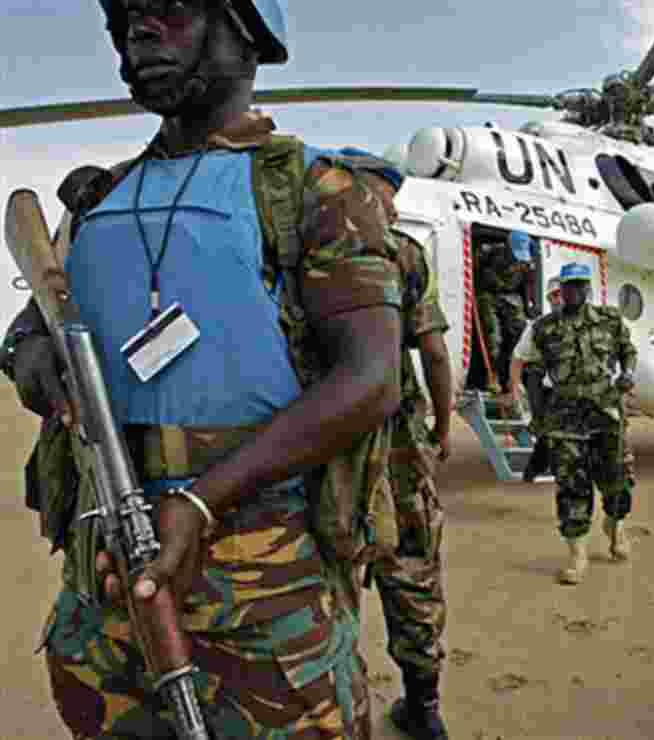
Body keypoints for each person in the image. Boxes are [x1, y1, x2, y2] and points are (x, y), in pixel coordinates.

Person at [0, 1, 406, 736]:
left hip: (260, 604)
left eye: (171, 9)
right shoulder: (97, 199)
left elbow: (371, 378)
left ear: (246, 35)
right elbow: (31, 322)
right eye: (126, 17)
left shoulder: (314, 190)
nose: (139, 30)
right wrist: (29, 353)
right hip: (108, 600)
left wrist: (201, 501)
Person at [361, 174, 453, 740]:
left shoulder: (302, 247)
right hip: (398, 444)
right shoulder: (406, 255)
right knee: (414, 569)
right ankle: (423, 707)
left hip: (317, 438)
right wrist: (442, 426)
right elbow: (435, 354)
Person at [512, 263, 638, 584]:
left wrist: (627, 374)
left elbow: (628, 351)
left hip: (606, 412)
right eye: (569, 286)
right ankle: (577, 554)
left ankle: (615, 525)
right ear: (561, 289)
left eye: (581, 285)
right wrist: (537, 416)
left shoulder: (610, 320)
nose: (575, 291)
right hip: (564, 417)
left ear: (588, 288)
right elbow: (533, 372)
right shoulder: (544, 329)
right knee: (571, 486)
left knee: (617, 479)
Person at [508, 276, 563, 481]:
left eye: (561, 294)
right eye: (554, 295)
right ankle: (539, 467)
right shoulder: (538, 326)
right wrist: (515, 389)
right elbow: (518, 358)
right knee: (545, 428)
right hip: (540, 380)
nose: (558, 299)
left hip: (568, 382)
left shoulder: (584, 324)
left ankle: (548, 467)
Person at [474, 229, 537, 393]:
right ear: (508, 247)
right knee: (494, 337)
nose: (518, 260)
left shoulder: (527, 263)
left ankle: (513, 378)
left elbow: (528, 286)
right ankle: (492, 376)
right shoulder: (490, 251)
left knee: (521, 333)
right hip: (489, 294)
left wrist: (529, 307)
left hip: (511, 295)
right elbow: (474, 266)